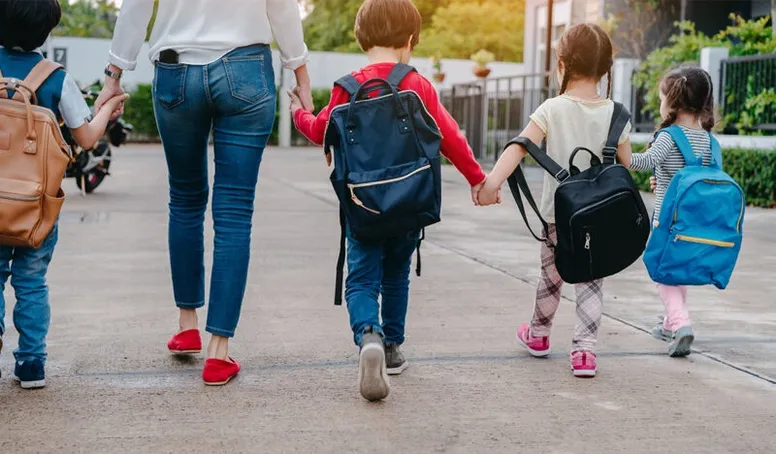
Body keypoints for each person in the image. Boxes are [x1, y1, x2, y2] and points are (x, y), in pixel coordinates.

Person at [95, 0, 313, 386]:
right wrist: (301, 74)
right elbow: (281, 7)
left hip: (176, 70)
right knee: (234, 212)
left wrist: (114, 74)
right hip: (247, 69)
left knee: (185, 200)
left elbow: (136, 7)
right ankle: (218, 352)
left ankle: (187, 326)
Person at [289, 0, 486, 400]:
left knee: (361, 277)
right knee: (396, 273)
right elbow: (451, 137)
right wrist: (478, 179)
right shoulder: (418, 85)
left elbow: (319, 131)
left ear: (361, 38)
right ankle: (393, 349)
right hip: (410, 202)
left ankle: (369, 337)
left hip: (362, 205)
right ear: (410, 41)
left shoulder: (347, 87)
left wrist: (298, 112)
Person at [477, 24, 632, 378]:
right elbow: (625, 163)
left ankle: (539, 335)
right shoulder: (617, 114)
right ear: (606, 69)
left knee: (551, 277)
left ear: (561, 65)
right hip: (601, 218)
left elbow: (519, 146)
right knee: (592, 280)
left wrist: (491, 184)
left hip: (558, 217)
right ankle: (584, 353)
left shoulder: (551, 108)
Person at [0, 0, 128, 389]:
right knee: (32, 283)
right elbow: (87, 138)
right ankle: (32, 364)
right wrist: (109, 108)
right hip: (36, 206)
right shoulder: (55, 78)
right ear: (47, 31)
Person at [621, 66, 717, 357]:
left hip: (667, 219)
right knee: (677, 270)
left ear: (671, 102)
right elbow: (690, 174)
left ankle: (680, 321)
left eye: (661, 97)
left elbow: (642, 161)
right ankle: (669, 323)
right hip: (693, 219)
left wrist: (620, 147)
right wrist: (661, 179)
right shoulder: (707, 138)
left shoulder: (668, 136)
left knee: (662, 272)